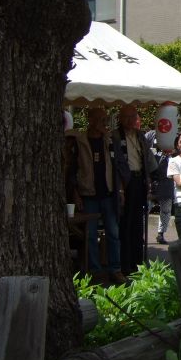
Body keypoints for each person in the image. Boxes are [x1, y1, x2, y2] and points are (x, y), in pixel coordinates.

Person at [71, 107, 126, 284]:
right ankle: (94, 270)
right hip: (88, 194)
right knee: (90, 235)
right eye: (101, 120)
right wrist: (76, 195)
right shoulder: (80, 141)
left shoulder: (109, 141)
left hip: (108, 193)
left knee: (113, 233)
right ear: (91, 120)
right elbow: (72, 170)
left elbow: (118, 166)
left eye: (105, 120)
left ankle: (115, 269)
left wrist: (120, 190)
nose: (104, 123)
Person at [112, 105, 157, 275]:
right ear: (120, 118)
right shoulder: (115, 136)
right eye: (126, 116)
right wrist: (120, 187)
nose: (130, 120)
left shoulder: (140, 135)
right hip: (125, 182)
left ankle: (138, 263)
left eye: (133, 116)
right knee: (126, 223)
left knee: (138, 223)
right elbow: (115, 163)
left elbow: (147, 160)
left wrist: (149, 179)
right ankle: (125, 265)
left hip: (140, 180)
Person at [146, 129, 175, 244]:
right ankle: (140, 233)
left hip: (167, 180)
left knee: (166, 210)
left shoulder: (174, 134)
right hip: (151, 179)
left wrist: (173, 151)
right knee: (145, 208)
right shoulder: (150, 135)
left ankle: (161, 234)